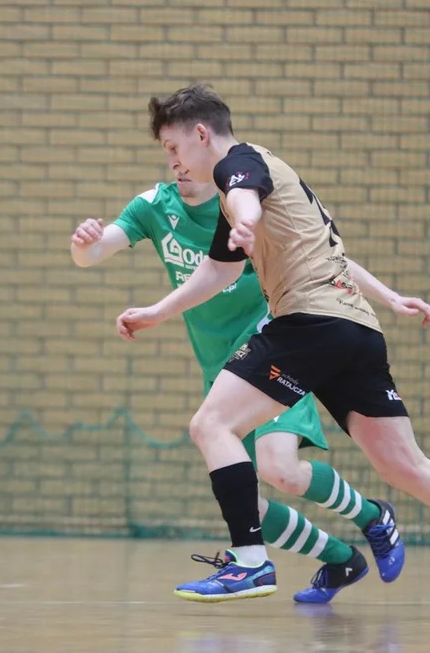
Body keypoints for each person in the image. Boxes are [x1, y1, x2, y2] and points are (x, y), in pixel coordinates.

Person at [116, 84, 430, 621]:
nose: (172, 160)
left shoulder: (239, 167)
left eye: (172, 146)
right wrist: (158, 312)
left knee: (212, 425)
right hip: (356, 331)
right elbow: (222, 270)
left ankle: (250, 560)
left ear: (201, 134)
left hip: (308, 323)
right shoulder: (273, 176)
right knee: (405, 464)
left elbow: (244, 196)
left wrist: (245, 218)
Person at [70, 176, 403, 602]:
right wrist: (84, 244)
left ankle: (373, 516)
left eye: (183, 147)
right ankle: (341, 559)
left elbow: (328, 259)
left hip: (276, 354)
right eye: (169, 149)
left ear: (206, 143)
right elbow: (94, 252)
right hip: (223, 373)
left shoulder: (245, 206)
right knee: (248, 507)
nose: (177, 162)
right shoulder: (155, 205)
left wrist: (391, 298)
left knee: (277, 468)